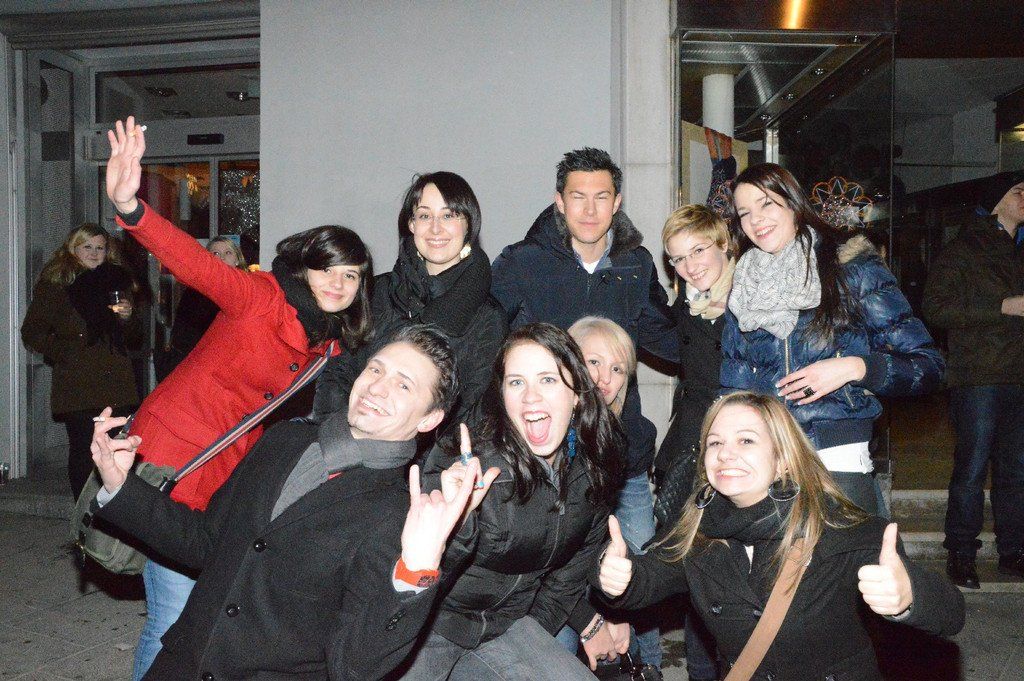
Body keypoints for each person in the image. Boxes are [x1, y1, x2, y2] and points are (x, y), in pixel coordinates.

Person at [104, 116, 373, 679]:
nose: (338, 284)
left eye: (351, 276)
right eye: (328, 269)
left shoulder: (327, 344)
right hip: (175, 458)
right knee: (173, 615)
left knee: (201, 615)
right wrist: (131, 208)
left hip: (227, 478)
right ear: (305, 267)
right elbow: (195, 263)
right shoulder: (261, 299)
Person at [88, 326, 499, 680]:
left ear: (429, 419)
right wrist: (120, 484)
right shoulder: (284, 440)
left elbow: (354, 666)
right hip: (184, 662)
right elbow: (204, 542)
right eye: (376, 369)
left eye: (404, 385)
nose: (377, 387)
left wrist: (417, 570)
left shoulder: (400, 513)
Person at [597, 391, 965, 681]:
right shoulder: (698, 532)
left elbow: (951, 614)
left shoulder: (838, 529)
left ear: (782, 459)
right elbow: (648, 577)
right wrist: (617, 576)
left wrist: (908, 596)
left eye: (746, 441)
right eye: (715, 443)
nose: (725, 454)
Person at [490, 148, 677, 659]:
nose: (590, 210)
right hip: (550, 464)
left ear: (617, 202)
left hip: (623, 464)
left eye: (601, 197)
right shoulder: (521, 263)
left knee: (637, 584)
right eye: (578, 197)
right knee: (558, 590)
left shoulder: (636, 265)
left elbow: (667, 336)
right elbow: (488, 344)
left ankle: (643, 672)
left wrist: (718, 313)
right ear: (559, 201)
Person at [399, 323, 627, 679]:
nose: (530, 397)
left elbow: (565, 583)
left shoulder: (593, 471)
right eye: (516, 382)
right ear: (502, 396)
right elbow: (413, 585)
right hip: (432, 627)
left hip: (508, 627)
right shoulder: (464, 463)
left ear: (577, 394)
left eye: (548, 380)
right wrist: (458, 526)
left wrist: (527, 646)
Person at [720, 162, 944, 514]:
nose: (755, 220)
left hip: (837, 455)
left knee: (852, 549)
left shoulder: (851, 268)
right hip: (767, 458)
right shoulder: (744, 284)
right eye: (744, 212)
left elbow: (928, 366)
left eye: (766, 204)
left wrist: (854, 368)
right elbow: (732, 386)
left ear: (793, 203)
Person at [311, 171, 507, 432]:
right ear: (411, 224)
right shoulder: (376, 291)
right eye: (424, 216)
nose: (435, 228)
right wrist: (337, 437)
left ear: (468, 225)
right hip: (347, 438)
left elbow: (473, 411)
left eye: (449, 215)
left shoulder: (488, 317)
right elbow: (338, 371)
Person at [922, 171, 1024, 588]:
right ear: (997, 201)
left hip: (1019, 375)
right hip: (979, 376)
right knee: (972, 468)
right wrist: (1002, 307)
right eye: (1019, 192)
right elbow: (935, 307)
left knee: (1016, 472)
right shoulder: (965, 248)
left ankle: (1013, 552)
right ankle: (961, 554)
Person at [654, 204, 736, 681]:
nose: (689, 266)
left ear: (724, 245)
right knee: (698, 574)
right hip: (692, 448)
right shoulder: (688, 307)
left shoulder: (753, 299)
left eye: (698, 251)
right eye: (678, 258)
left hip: (739, 451)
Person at [566, 316, 662, 675]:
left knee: (636, 573)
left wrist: (614, 609)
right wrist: (593, 620)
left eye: (617, 369)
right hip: (533, 593)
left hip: (574, 573)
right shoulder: (547, 435)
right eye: (594, 362)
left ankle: (647, 670)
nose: (605, 379)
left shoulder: (610, 438)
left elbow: (590, 542)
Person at [21, 223, 140, 499]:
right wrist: (65, 352)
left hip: (115, 380)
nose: (94, 253)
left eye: (100, 247)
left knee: (115, 450)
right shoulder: (57, 283)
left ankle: (111, 513)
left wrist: (127, 318)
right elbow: (32, 332)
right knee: (85, 450)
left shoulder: (117, 280)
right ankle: (83, 515)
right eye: (87, 246)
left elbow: (135, 338)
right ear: (73, 248)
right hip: (77, 382)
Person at [154, 236, 248, 382]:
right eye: (216, 253)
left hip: (235, 368)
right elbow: (184, 337)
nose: (222, 258)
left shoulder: (247, 291)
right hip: (200, 370)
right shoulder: (195, 293)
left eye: (228, 252)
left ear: (237, 259)